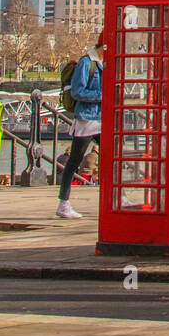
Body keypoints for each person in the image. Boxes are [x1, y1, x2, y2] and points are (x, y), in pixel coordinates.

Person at [56, 37, 104, 220]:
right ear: (103, 45)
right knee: (74, 161)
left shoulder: (103, 63)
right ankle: (63, 203)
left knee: (112, 159)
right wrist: (102, 95)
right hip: (86, 119)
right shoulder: (86, 63)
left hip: (101, 119)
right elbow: (77, 91)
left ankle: (118, 197)